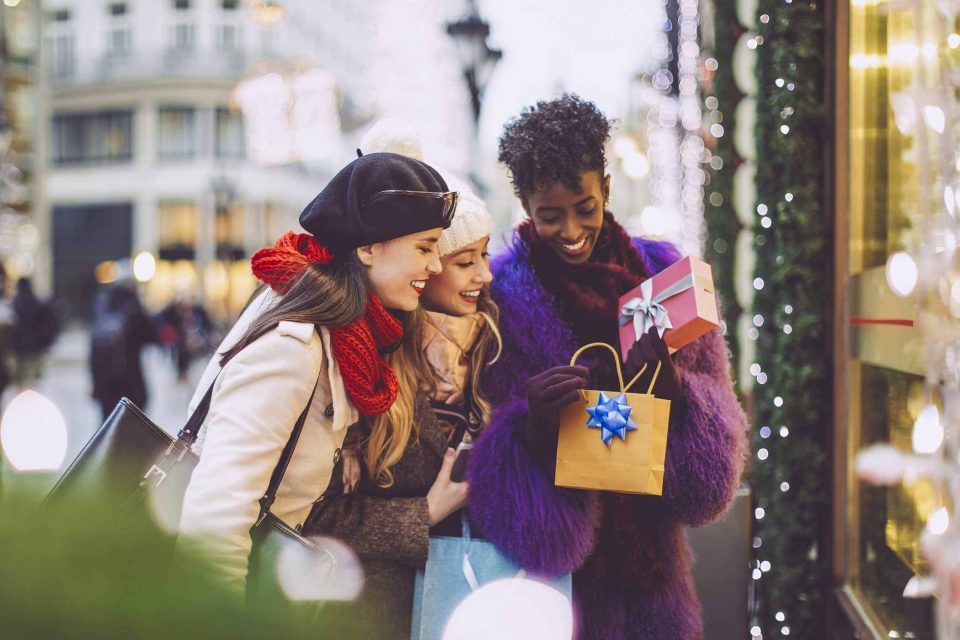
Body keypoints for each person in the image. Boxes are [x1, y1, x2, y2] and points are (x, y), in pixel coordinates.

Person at [465, 94, 748, 639]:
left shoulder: (668, 279)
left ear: (606, 191)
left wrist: (676, 390)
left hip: (653, 582)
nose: (571, 230)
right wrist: (530, 430)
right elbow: (479, 457)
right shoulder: (497, 301)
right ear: (525, 205)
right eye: (550, 216)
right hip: (547, 589)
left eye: (585, 208)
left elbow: (718, 464)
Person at [176, 153, 462, 610]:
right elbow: (217, 516)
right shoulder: (294, 347)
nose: (435, 267)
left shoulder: (343, 333)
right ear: (368, 247)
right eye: (425, 248)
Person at [300, 125, 501, 637]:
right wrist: (423, 513)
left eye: (485, 255)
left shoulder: (497, 341)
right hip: (376, 608)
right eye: (460, 259)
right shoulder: (367, 352)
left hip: (470, 595)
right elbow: (311, 510)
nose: (484, 275)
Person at [89, 279, 157, 419]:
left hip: (106, 383)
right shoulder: (133, 308)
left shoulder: (103, 309)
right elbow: (152, 334)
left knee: (108, 424)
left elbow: (94, 351)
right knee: (133, 424)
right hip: (130, 380)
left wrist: (95, 384)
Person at [12, 277, 59, 388]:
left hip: (21, 348)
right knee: (33, 380)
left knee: (22, 379)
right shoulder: (37, 303)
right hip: (35, 347)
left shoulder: (16, 305)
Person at [156, 292, 214, 381]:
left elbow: (206, 327)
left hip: (199, 351)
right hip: (182, 350)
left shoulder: (198, 313)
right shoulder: (174, 317)